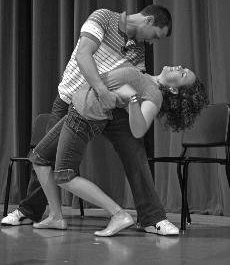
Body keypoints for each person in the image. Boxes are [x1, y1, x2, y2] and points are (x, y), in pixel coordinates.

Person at [1, 4, 178, 236]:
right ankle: (30, 211)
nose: (153, 42)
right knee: (45, 155)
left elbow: (134, 82)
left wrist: (140, 93)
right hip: (71, 100)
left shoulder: (138, 50)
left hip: (108, 108)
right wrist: (102, 90)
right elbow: (84, 54)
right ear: (148, 21)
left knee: (135, 154)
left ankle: (153, 219)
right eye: (156, 35)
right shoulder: (103, 18)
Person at [30, 64, 208, 237]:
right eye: (183, 68)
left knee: (63, 175)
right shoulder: (145, 77)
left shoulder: (155, 94)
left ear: (175, 90)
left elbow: (138, 130)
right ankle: (55, 216)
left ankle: (118, 214)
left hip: (84, 116)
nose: (179, 67)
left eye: (183, 74)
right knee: (39, 158)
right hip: (75, 111)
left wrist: (132, 99)